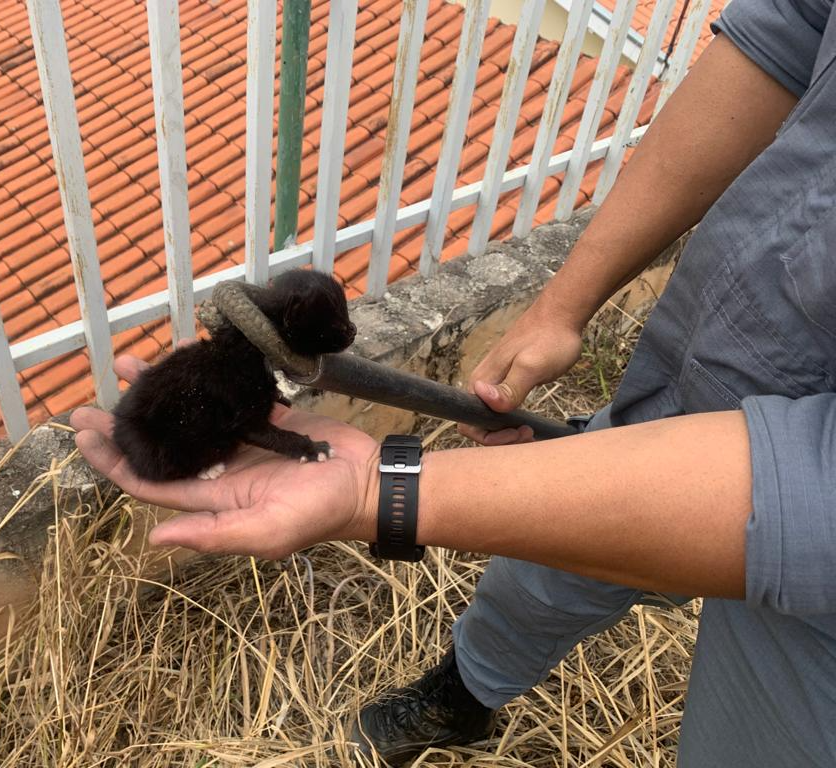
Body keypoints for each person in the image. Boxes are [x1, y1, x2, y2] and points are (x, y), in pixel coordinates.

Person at [71, 0, 836, 763]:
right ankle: (466, 694)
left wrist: (383, 492)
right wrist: (561, 305)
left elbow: (811, 490)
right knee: (540, 572)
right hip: (704, 368)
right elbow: (787, 34)